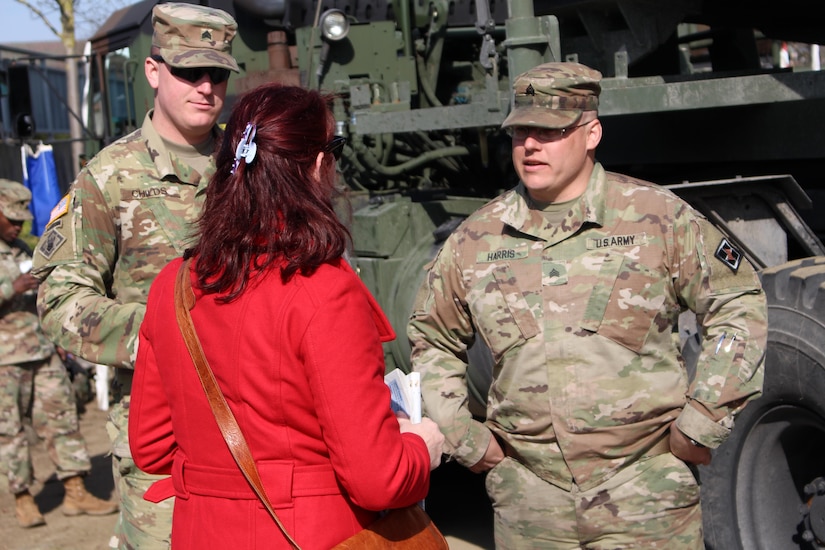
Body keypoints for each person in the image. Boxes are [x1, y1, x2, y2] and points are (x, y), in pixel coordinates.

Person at [407, 61, 768, 549]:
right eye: (521, 131)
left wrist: (703, 419)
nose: (531, 144)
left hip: (644, 494)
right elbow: (432, 336)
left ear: (591, 132)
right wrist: (463, 437)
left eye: (549, 130)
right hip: (529, 501)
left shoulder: (656, 218)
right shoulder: (477, 237)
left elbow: (736, 301)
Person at [127, 82, 444, 549]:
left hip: (201, 533)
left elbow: (151, 446)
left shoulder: (173, 284)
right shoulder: (324, 290)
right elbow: (378, 479)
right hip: (312, 534)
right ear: (318, 164)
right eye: (333, 150)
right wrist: (421, 447)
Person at [31, 3, 239, 547]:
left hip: (256, 424)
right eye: (188, 71)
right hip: (163, 435)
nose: (205, 87)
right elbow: (60, 299)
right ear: (153, 72)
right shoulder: (110, 177)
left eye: (217, 73)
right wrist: (158, 334)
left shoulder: (251, 167)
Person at [0, 179, 117, 528]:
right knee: (10, 431)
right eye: (11, 217)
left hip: (41, 349)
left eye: (22, 218)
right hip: (5, 360)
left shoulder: (22, 248)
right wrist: (11, 286)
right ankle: (22, 498)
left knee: (63, 418)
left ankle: (75, 490)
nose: (19, 224)